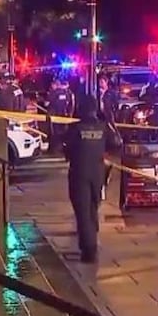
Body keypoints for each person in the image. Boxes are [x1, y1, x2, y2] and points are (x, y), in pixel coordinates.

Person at [63, 94, 122, 263]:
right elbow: (116, 143)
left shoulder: (75, 128)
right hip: (97, 173)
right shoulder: (103, 127)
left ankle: (89, 250)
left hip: (79, 172)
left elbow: (66, 147)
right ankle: (92, 239)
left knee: (82, 212)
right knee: (92, 207)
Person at [47, 78, 75, 152]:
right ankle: (63, 149)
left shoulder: (54, 93)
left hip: (54, 117)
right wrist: (69, 114)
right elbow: (71, 105)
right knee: (64, 133)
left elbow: (47, 103)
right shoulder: (68, 93)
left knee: (54, 133)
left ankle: (54, 149)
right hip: (64, 116)